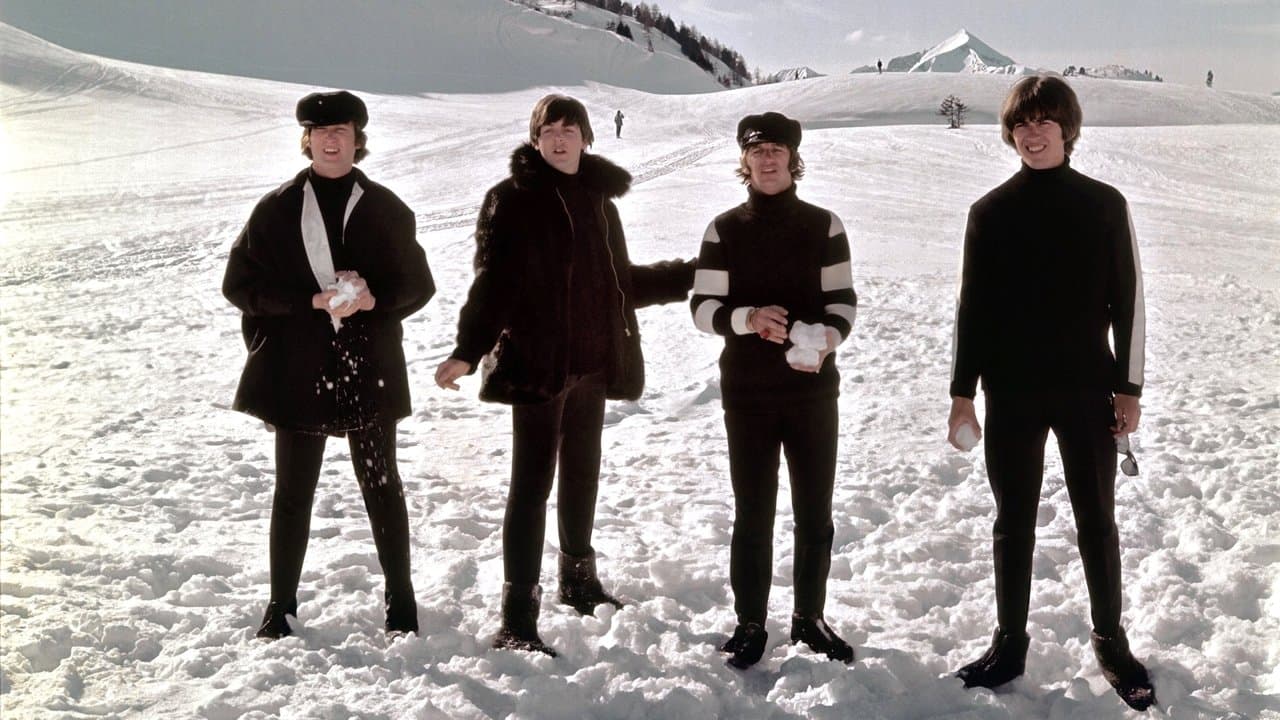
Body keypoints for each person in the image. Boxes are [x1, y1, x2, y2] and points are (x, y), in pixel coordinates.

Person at [434, 94, 694, 657]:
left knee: (582, 474)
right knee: (531, 486)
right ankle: (518, 618)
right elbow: (494, 283)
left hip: (593, 362)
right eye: (548, 130)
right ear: (535, 140)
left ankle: (578, 581)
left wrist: (688, 276)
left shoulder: (599, 200)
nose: (558, 138)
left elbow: (618, 282)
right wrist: (468, 350)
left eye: (569, 129)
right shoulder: (512, 199)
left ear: (585, 138)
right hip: (538, 365)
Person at [946, 75, 1154, 711]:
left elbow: (1129, 302)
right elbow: (973, 310)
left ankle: (1111, 640)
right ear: (1010, 134)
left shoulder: (1104, 204)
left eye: (1044, 122)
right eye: (1021, 124)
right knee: (1012, 521)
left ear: (1068, 129)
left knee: (1097, 519)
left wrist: (1129, 388)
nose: (1032, 134)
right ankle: (1009, 643)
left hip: (1086, 389)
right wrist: (962, 393)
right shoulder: (989, 213)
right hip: (1011, 392)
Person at [223, 90, 435, 640]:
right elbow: (239, 287)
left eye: (340, 130)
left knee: (381, 484)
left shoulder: (386, 208)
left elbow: (419, 284)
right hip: (299, 369)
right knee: (293, 492)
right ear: (308, 140)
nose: (330, 140)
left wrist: (373, 299)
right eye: (320, 132)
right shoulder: (276, 208)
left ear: (357, 139)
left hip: (369, 366)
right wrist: (308, 302)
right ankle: (280, 607)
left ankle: (402, 602)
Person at [690, 111, 859, 670]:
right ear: (745, 160)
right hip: (748, 393)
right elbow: (703, 308)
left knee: (815, 510)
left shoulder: (824, 226)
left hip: (812, 391)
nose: (767, 160)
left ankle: (810, 618)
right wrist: (748, 319)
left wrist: (828, 337)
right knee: (753, 511)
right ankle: (750, 623)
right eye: (757, 151)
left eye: (777, 150)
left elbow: (842, 302)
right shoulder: (724, 229)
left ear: (792, 159)